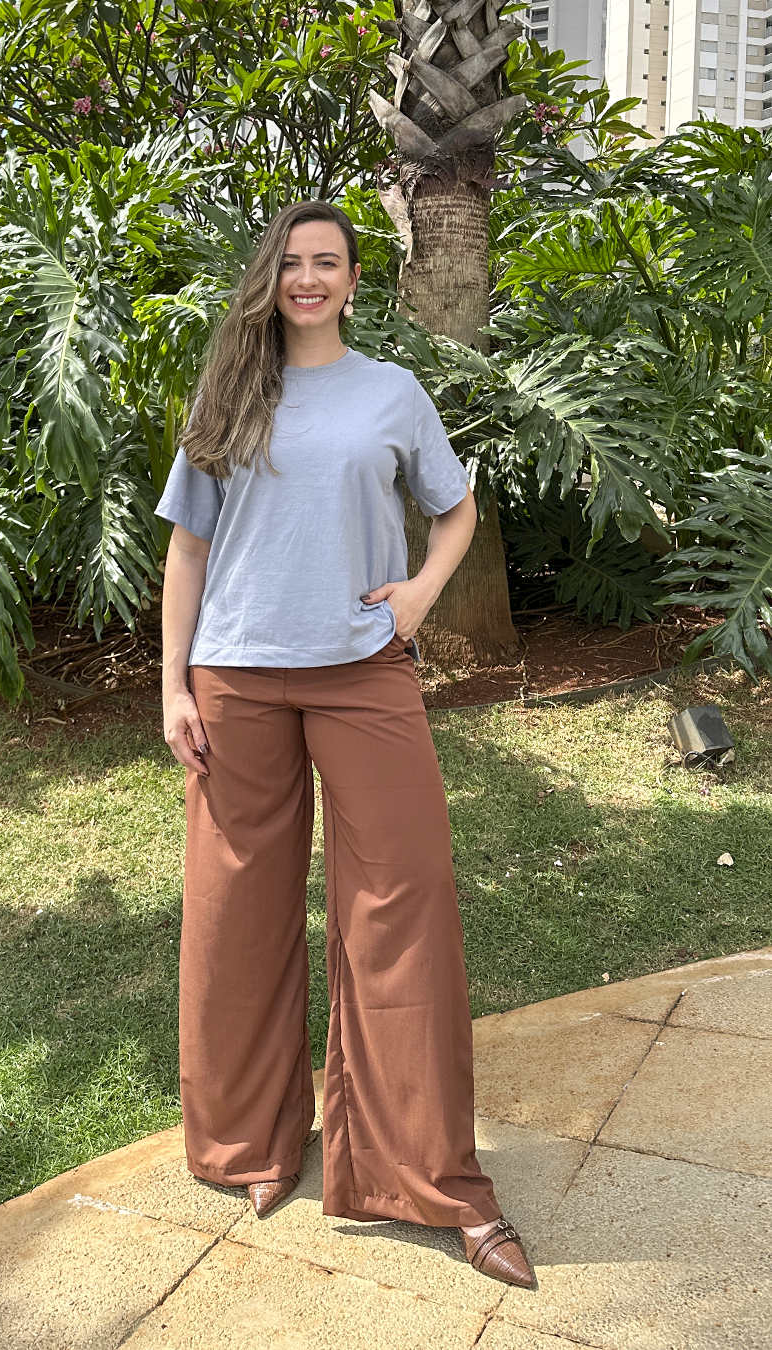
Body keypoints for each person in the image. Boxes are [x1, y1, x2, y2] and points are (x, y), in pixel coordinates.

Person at [157, 199, 534, 1289]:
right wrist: (172, 685)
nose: (308, 278)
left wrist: (418, 594)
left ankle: (429, 1176)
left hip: (364, 670)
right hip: (235, 677)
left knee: (405, 897)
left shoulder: (392, 392)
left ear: (356, 280)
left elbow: (454, 510)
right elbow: (189, 549)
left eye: (327, 262)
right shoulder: (231, 391)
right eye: (291, 262)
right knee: (236, 908)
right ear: (271, 279)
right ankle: (251, 1143)